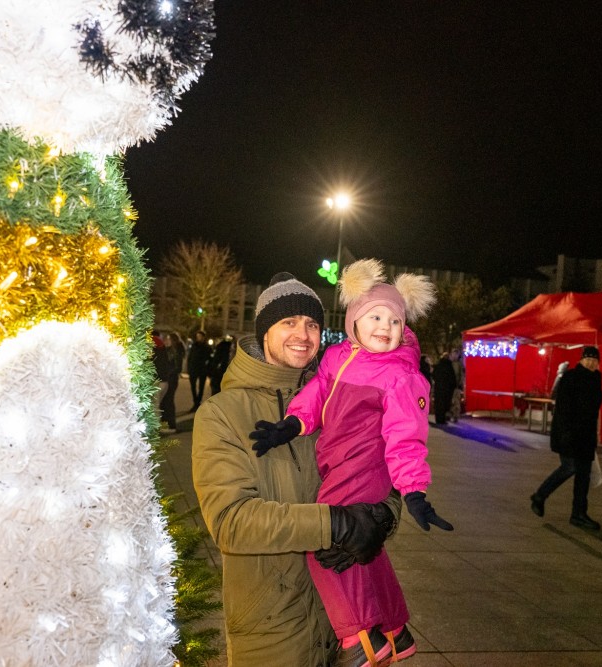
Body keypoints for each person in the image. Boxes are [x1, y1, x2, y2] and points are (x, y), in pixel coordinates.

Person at [192, 272, 403, 667]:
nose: (303, 335)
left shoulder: (341, 396)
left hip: (348, 626)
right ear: (264, 332)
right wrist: (335, 525)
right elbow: (231, 521)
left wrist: (380, 518)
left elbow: (384, 471)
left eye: (312, 324)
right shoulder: (222, 413)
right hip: (273, 627)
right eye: (288, 322)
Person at [252, 259, 453, 666]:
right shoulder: (338, 356)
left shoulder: (400, 375)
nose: (385, 327)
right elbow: (318, 391)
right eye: (375, 317)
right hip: (340, 463)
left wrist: (414, 491)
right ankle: (394, 628)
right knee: (363, 550)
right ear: (354, 321)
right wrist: (293, 423)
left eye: (395, 321)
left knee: (322, 540)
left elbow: (406, 438)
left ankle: (359, 639)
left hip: (362, 468)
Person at [530, 346, 602, 530]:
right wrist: (565, 434)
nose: (591, 363)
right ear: (581, 360)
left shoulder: (596, 380)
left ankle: (579, 514)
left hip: (586, 435)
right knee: (570, 466)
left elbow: (594, 409)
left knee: (583, 475)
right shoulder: (571, 378)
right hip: (569, 434)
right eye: (588, 359)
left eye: (594, 360)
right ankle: (540, 495)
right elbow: (563, 409)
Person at [158, 331, 185, 434]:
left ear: (173, 340)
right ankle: (165, 424)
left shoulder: (176, 351)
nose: (166, 340)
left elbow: (177, 367)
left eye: (168, 339)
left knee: (168, 401)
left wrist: (167, 373)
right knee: (165, 402)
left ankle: (171, 425)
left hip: (171, 379)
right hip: (167, 378)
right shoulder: (168, 350)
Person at [432, 348, 462, 425]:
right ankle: (444, 418)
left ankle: (439, 419)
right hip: (447, 389)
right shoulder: (449, 365)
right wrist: (454, 385)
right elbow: (452, 377)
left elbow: (434, 375)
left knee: (439, 404)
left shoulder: (438, 365)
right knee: (446, 403)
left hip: (439, 387)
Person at [187, 330, 212, 411]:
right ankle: (196, 402)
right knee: (193, 387)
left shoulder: (207, 347)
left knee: (201, 387)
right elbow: (190, 357)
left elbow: (210, 359)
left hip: (202, 370)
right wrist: (189, 368)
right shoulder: (194, 345)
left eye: (200, 336)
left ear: (204, 337)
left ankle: (198, 402)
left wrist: (207, 369)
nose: (198, 338)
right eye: (197, 336)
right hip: (193, 369)